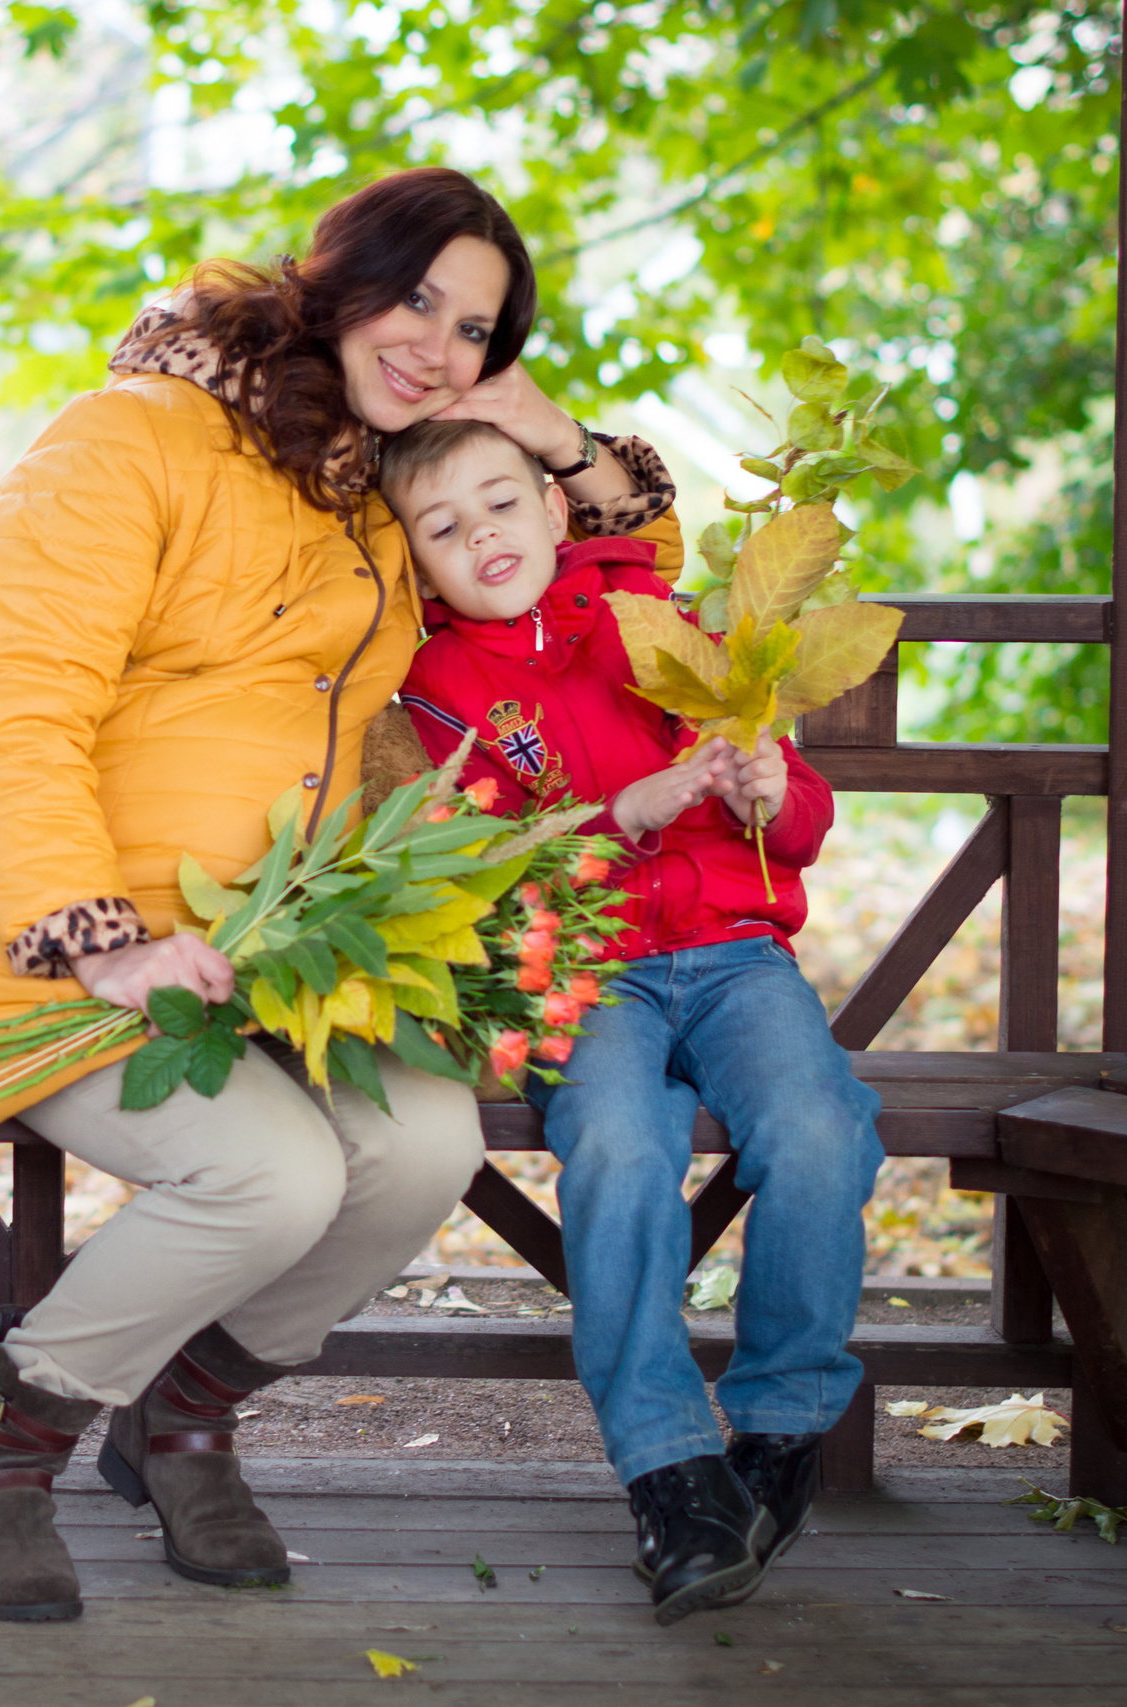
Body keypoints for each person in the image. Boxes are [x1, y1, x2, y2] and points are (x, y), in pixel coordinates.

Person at [0, 167, 683, 1622]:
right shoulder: (129, 442)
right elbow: (11, 712)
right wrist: (101, 933)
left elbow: (616, 569)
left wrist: (558, 440)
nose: (437, 345)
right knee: (273, 1171)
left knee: (423, 1142)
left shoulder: (374, 499)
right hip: (54, 942)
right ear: (332, 275)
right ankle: (8, 1448)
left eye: (478, 330)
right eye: (418, 297)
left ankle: (182, 1413)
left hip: (277, 947)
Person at [385, 417, 885, 1625]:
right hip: (586, 973)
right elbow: (477, 863)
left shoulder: (666, 627)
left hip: (732, 955)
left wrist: (774, 787)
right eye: (441, 529)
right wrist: (618, 813)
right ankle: (668, 1467)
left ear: (558, 512)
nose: (481, 539)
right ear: (416, 561)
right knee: (617, 1150)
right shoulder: (437, 686)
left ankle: (775, 1430)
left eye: (502, 506)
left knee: (819, 1131)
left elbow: (801, 818)